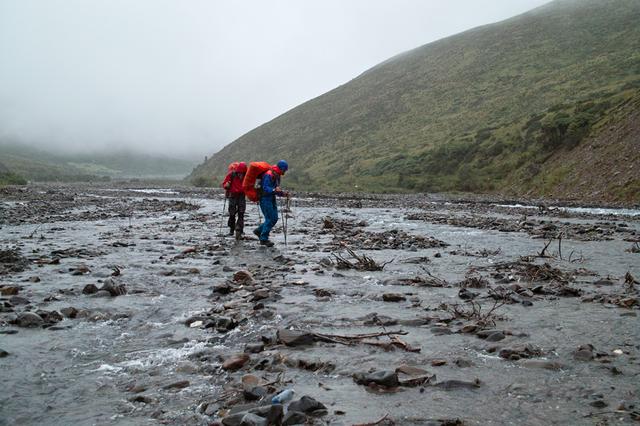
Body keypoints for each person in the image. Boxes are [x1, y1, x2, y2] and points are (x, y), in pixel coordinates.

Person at [253, 160, 289, 247]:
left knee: (275, 218)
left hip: (271, 198)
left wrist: (283, 193)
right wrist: (274, 190)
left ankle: (258, 231)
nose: (285, 172)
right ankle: (263, 239)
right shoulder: (268, 175)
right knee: (269, 218)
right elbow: (265, 188)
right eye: (285, 170)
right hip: (264, 198)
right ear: (282, 168)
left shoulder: (277, 176)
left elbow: (276, 189)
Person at [221, 162, 247, 240]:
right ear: (237, 171)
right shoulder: (231, 175)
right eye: (240, 173)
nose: (241, 175)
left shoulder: (246, 176)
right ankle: (232, 229)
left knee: (241, 213)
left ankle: (239, 230)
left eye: (242, 173)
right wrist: (226, 185)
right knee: (232, 214)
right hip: (232, 196)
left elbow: (250, 184)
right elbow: (224, 184)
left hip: (242, 196)